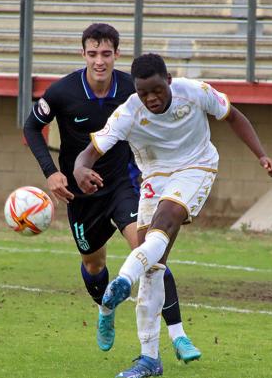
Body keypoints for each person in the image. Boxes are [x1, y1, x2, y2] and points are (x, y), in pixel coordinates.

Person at [74, 53, 272, 377]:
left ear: (169, 80)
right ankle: (149, 359)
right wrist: (80, 168)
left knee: (166, 221)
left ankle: (122, 283)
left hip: (196, 166)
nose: (151, 98)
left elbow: (233, 116)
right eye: (144, 93)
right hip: (154, 177)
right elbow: (90, 152)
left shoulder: (194, 91)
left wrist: (262, 155)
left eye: (156, 90)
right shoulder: (129, 112)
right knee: (154, 267)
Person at [23, 23, 201, 361]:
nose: (99, 61)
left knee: (151, 251)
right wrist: (52, 173)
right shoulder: (62, 91)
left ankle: (179, 335)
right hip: (80, 195)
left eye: (106, 54)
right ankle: (106, 310)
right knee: (93, 265)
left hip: (124, 185)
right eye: (93, 54)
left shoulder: (132, 92)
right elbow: (31, 126)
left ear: (117, 54)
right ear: (83, 55)